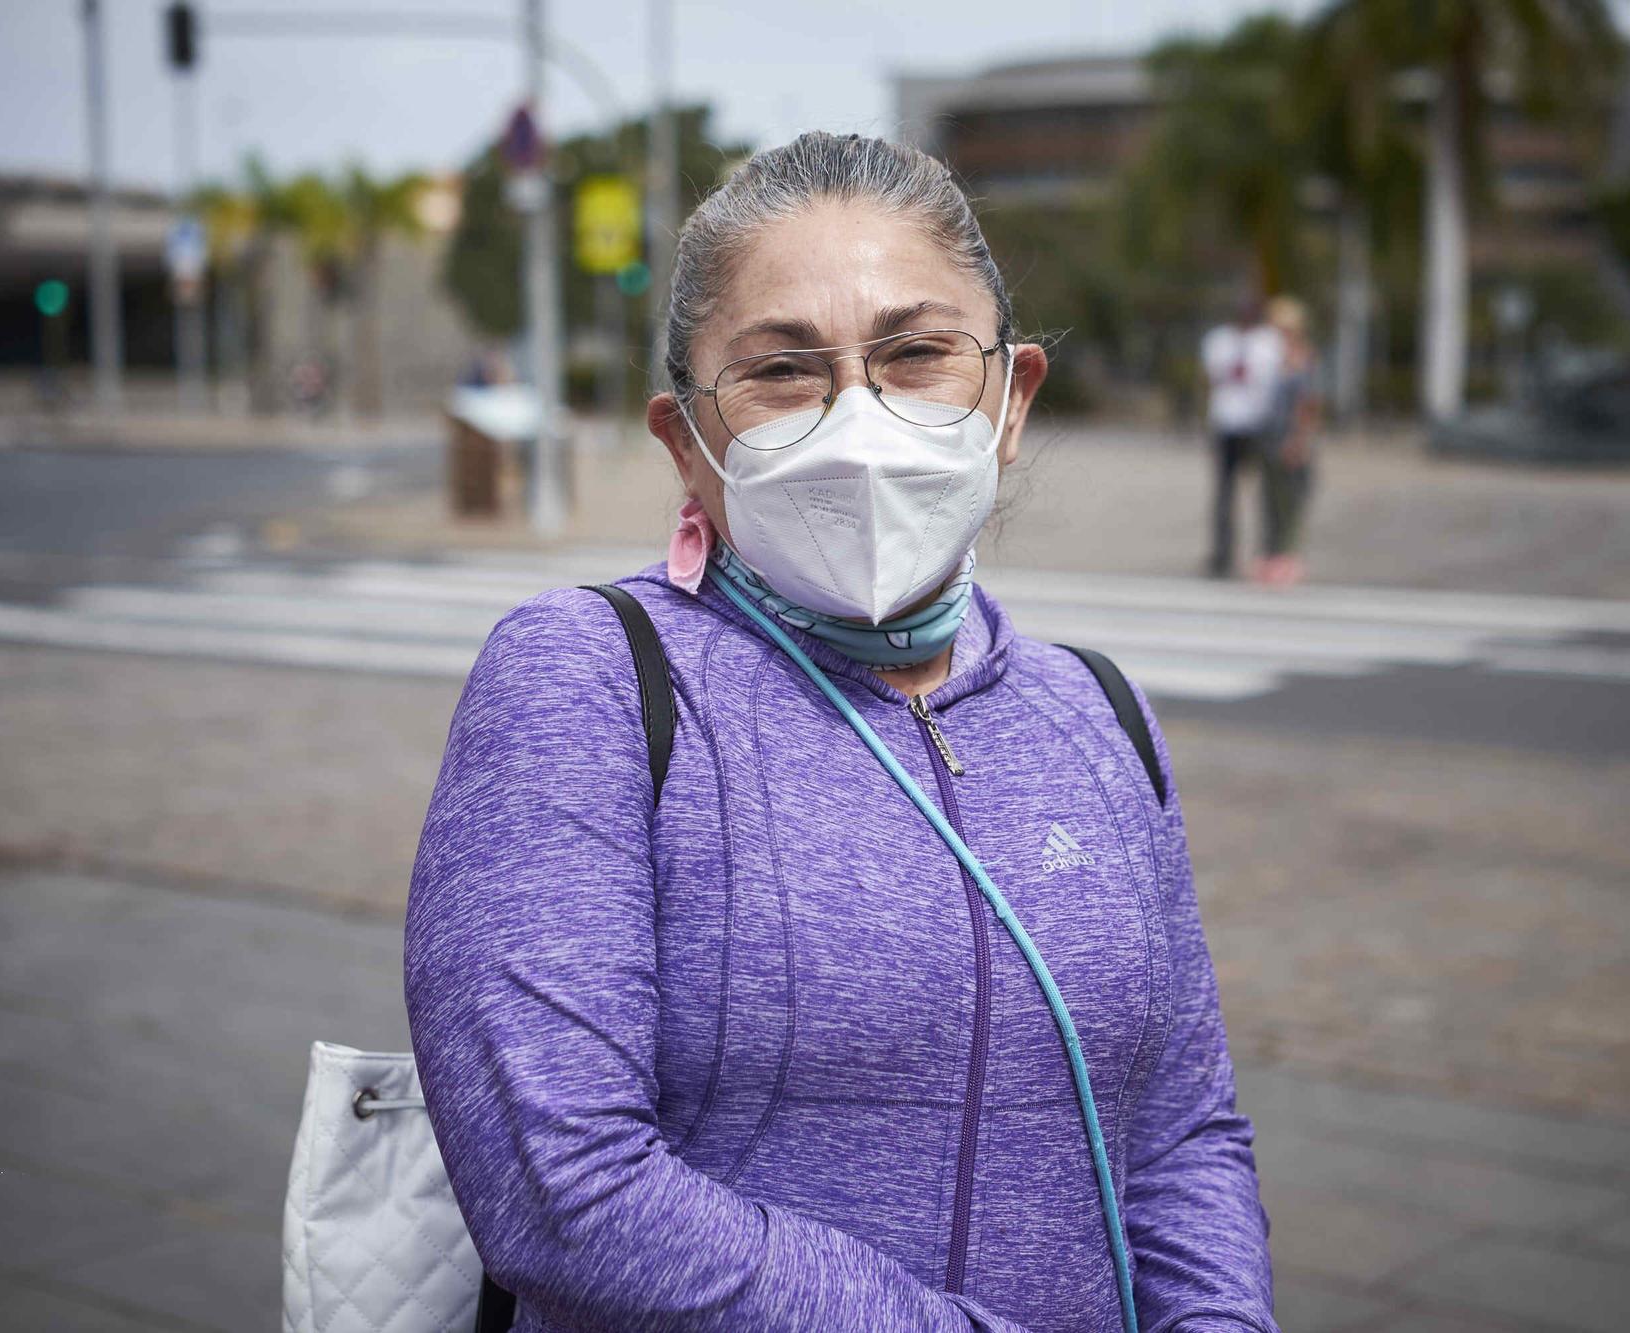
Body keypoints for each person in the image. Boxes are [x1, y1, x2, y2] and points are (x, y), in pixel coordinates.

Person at [404, 132, 1277, 1333]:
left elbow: (1179, 1131)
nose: (854, 415)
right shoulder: (585, 681)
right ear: (686, 444)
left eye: (916, 353)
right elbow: (561, 1190)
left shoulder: (1095, 712)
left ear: (1009, 397)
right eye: (780, 372)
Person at [1200, 296, 1284, 577]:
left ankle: (1268, 552)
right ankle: (1223, 553)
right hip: (1227, 420)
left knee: (1266, 491)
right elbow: (1214, 374)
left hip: (1258, 423)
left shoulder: (1268, 343)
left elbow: (1271, 379)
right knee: (1225, 492)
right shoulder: (1219, 340)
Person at [1254, 296, 1321, 587]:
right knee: (1270, 502)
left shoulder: (1305, 359)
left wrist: (1299, 440)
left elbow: (1309, 405)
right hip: (1269, 439)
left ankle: (1289, 557)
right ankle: (1270, 556)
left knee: (1292, 502)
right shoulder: (1269, 358)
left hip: (1293, 441)